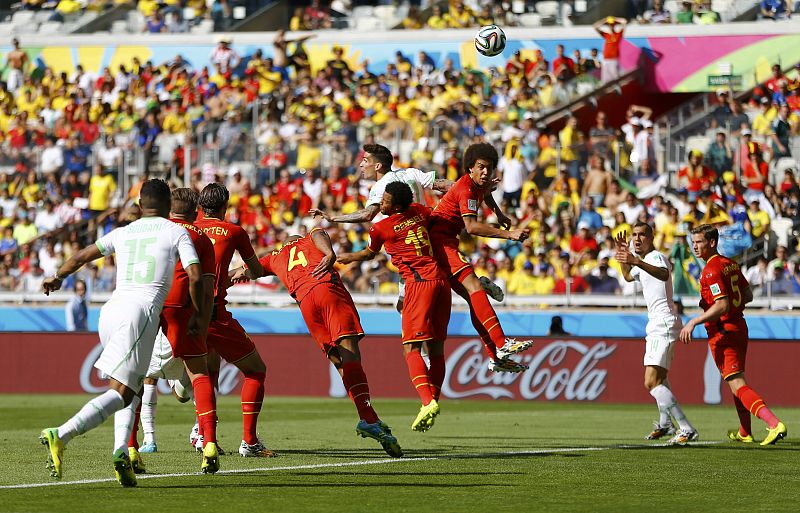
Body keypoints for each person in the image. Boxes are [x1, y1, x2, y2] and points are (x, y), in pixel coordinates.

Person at [39, 179, 204, 487]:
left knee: (133, 386)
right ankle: (61, 434)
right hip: (139, 314)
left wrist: (58, 276)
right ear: (169, 206)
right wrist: (200, 314)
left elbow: (82, 256)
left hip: (111, 311)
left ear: (140, 205)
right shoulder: (175, 231)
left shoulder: (123, 232)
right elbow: (195, 275)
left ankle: (121, 453)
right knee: (122, 392)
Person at [232, 229, 403, 458]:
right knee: (351, 355)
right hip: (326, 290)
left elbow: (241, 272)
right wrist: (329, 253)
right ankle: (368, 418)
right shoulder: (307, 239)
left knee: (339, 361)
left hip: (306, 304)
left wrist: (215, 279)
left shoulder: (275, 257)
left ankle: (369, 415)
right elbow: (319, 233)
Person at [338, 182, 451, 432]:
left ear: (396, 205)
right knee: (436, 348)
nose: (382, 203)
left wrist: (348, 257)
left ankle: (427, 402)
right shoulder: (421, 211)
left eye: (385, 200)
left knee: (410, 348)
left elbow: (369, 253)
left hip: (419, 284)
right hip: (442, 282)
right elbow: (434, 217)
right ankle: (433, 399)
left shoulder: (381, 227)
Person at [127, 188, 219, 476]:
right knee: (199, 374)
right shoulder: (200, 238)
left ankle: (131, 446)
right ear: (196, 213)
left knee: (136, 377)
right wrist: (202, 320)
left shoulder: (149, 230)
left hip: (143, 303)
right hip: (180, 305)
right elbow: (204, 286)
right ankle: (209, 443)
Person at [428, 143, 534, 373]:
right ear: (470, 169)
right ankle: (502, 343)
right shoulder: (465, 188)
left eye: (490, 168)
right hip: (439, 242)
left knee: (472, 297)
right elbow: (472, 227)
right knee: (474, 287)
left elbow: (485, 193)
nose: (486, 172)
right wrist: (509, 234)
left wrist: (499, 212)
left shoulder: (477, 185)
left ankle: (495, 356)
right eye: (481, 167)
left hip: (444, 241)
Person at [680, 224, 787, 446]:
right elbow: (747, 295)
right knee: (735, 380)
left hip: (724, 332)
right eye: (694, 241)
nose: (695, 246)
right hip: (739, 327)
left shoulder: (711, 270)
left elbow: (722, 305)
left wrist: (694, 321)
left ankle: (774, 424)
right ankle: (745, 431)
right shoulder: (730, 264)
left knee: (737, 382)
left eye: (699, 241)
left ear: (712, 242)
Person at [195, 183, 274, 458]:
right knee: (256, 370)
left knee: (204, 371)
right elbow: (254, 269)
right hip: (215, 316)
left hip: (183, 315)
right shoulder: (233, 232)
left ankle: (204, 436)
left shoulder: (186, 229)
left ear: (200, 206)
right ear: (224, 207)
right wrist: (237, 272)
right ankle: (249, 442)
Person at [615, 222, 698, 445]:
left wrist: (636, 261)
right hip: (658, 323)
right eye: (634, 235)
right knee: (661, 379)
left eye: (642, 235)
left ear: (651, 238)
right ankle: (665, 424)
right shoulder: (641, 261)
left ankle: (686, 427)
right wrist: (625, 259)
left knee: (651, 382)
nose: (637, 238)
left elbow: (663, 274)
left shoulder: (655, 257)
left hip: (663, 323)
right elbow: (628, 277)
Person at [593, 16, 626, 83]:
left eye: (612, 25)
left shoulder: (618, 35)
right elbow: (595, 26)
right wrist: (605, 20)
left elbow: (624, 21)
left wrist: (614, 19)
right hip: (605, 59)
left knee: (615, 77)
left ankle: (617, 89)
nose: (611, 26)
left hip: (613, 59)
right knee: (605, 79)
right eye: (609, 25)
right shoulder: (606, 35)